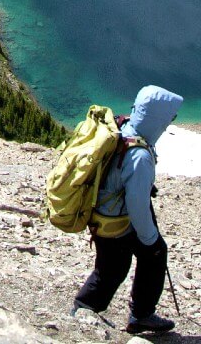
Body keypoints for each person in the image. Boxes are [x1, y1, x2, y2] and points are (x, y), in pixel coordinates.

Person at [73, 85, 182, 334]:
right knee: (147, 256)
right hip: (116, 220)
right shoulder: (140, 156)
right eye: (170, 117)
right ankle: (120, 312)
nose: (170, 123)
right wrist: (151, 239)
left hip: (102, 213)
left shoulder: (123, 127)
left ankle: (91, 309)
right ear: (158, 118)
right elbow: (137, 204)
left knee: (112, 267)